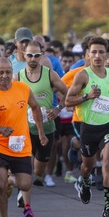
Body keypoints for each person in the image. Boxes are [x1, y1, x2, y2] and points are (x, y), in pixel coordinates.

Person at [0, 57, 48, 217]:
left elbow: (35, 107)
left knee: (26, 185)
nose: (4, 76)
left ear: (13, 72)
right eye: (1, 72)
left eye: (8, 72)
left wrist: (41, 132)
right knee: (0, 185)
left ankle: (12, 181)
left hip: (21, 145)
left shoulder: (23, 89)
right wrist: (2, 130)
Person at [65, 37, 109, 217]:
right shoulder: (83, 75)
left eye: (101, 52)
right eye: (94, 52)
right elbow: (67, 101)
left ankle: (107, 208)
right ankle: (85, 182)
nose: (97, 56)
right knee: (87, 166)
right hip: (88, 127)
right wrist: (87, 96)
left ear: (107, 55)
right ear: (88, 54)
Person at [16, 40, 68, 191]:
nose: (33, 59)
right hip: (25, 128)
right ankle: (22, 191)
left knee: (39, 171)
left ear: (42, 55)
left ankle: (35, 177)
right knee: (24, 166)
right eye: (30, 55)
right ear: (24, 55)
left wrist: (58, 108)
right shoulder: (17, 77)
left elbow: (68, 93)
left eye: (36, 55)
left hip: (46, 127)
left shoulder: (50, 74)